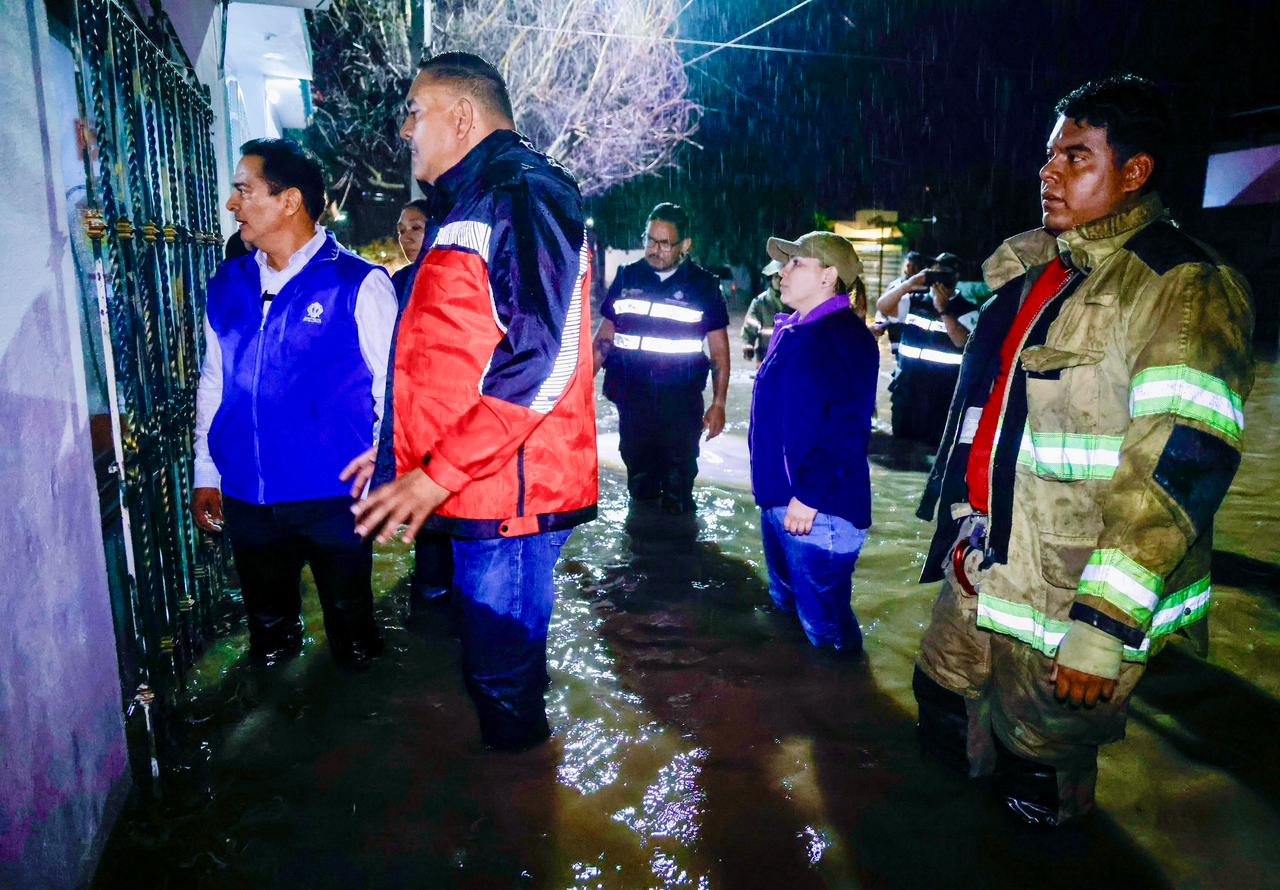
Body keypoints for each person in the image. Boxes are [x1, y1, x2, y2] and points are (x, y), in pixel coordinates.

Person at [912, 74, 1255, 826]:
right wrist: (964, 533)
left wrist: (1104, 627)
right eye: (1048, 158)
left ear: (1135, 173)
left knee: (1037, 775)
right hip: (985, 562)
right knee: (941, 712)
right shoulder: (1039, 270)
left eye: (1076, 158)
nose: (1049, 174)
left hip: (1071, 596)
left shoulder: (1184, 287)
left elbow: (1181, 467)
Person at [343, 52, 596, 751]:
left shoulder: (523, 190)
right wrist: (398, 449)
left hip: (509, 499)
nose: (405, 132)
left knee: (501, 677)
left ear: (462, 114)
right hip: (475, 486)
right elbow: (446, 355)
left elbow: (544, 360)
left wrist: (435, 472)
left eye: (413, 114)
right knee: (485, 666)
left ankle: (519, 831)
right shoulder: (468, 201)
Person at [191, 137, 396, 668]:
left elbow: (392, 392)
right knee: (268, 639)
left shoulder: (357, 284)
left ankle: (360, 735)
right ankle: (279, 726)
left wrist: (383, 482)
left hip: (334, 497)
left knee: (354, 636)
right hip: (247, 497)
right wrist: (205, 473)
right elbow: (215, 381)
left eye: (244, 190)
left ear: (290, 201)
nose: (233, 204)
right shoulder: (227, 283)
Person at [750, 232, 878, 654]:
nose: (782, 273)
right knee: (790, 616)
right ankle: (798, 709)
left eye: (796, 264)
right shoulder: (796, 330)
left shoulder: (844, 336)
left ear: (828, 276)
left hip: (817, 510)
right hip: (784, 503)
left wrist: (808, 495)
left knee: (826, 632)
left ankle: (845, 711)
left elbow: (847, 426)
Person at [592, 203, 731, 514]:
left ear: (685, 245)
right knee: (639, 485)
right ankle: (641, 551)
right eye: (650, 240)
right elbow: (604, 339)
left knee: (678, 489)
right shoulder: (628, 277)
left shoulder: (703, 286)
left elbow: (719, 352)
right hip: (633, 402)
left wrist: (719, 403)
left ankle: (678, 553)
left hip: (680, 406)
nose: (655, 250)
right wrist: (576, 391)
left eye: (665, 243)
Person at [877, 251, 980, 447]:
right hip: (907, 391)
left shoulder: (967, 309)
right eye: (935, 271)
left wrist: (943, 310)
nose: (937, 276)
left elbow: (963, 342)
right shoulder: (914, 300)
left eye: (944, 273)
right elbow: (883, 306)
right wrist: (908, 285)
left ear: (955, 277)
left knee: (933, 449)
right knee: (901, 448)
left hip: (941, 398)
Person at [871, 250, 930, 366]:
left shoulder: (928, 289)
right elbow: (882, 311)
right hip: (898, 338)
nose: (911, 269)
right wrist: (880, 324)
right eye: (908, 265)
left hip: (920, 339)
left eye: (914, 266)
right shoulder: (896, 286)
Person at [391, 197, 433, 303]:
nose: (405, 239)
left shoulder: (456, 275)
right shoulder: (400, 280)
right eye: (401, 231)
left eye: (415, 228)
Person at [742, 260, 784, 366]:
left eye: (782, 277)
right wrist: (748, 345)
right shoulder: (760, 302)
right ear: (770, 279)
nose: (779, 280)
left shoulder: (797, 300)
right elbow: (750, 326)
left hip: (790, 354)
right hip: (765, 355)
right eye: (776, 277)